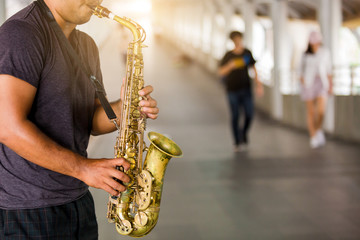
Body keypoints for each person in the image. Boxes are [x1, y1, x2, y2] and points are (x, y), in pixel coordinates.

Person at [0, 0, 159, 239]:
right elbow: (7, 126)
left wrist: (126, 106)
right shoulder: (22, 33)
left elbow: (90, 121)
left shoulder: (86, 44)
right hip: (28, 207)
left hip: (76, 198)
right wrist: (84, 168)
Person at [218, 31, 263, 152]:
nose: (238, 41)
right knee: (235, 115)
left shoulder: (247, 53)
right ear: (232, 41)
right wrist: (230, 66)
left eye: (239, 39)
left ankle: (243, 133)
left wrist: (259, 84)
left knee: (249, 114)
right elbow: (221, 71)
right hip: (232, 90)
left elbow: (254, 68)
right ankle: (237, 141)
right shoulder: (228, 55)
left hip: (246, 89)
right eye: (235, 39)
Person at [299, 31, 332, 149]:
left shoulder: (325, 52)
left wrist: (331, 85)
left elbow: (329, 69)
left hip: (322, 83)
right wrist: (301, 79)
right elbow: (300, 69)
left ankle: (318, 130)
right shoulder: (305, 54)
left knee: (321, 111)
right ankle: (313, 136)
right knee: (311, 111)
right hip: (309, 83)